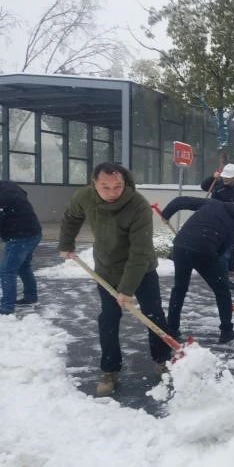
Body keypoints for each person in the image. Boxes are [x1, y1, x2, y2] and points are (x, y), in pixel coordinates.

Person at [58, 162, 171, 396]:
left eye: (117, 186)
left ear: (125, 183)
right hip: (107, 268)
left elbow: (139, 252)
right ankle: (110, 369)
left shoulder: (138, 205)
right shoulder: (85, 197)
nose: (112, 192)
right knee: (108, 318)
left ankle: (162, 359)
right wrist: (66, 243)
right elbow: (71, 216)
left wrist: (127, 290)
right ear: (94, 184)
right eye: (105, 187)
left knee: (153, 313)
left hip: (141, 268)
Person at [160, 196, 234, 343]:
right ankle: (226, 331)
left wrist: (166, 214)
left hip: (181, 245)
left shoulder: (213, 203)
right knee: (222, 290)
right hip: (204, 251)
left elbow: (181, 201)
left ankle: (172, 328)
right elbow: (222, 250)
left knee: (179, 289)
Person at [200, 163, 234, 283]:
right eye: (224, 176)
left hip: (233, 226)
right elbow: (205, 187)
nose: (225, 179)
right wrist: (212, 177)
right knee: (221, 250)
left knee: (231, 247)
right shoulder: (218, 188)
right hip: (218, 225)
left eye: (228, 177)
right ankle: (222, 275)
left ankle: (229, 269)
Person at [0, 181, 42, 315]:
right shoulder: (8, 185)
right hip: (34, 232)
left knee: (7, 271)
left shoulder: (3, 197)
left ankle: (7, 307)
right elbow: (24, 194)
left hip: (19, 237)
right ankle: (31, 297)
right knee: (23, 266)